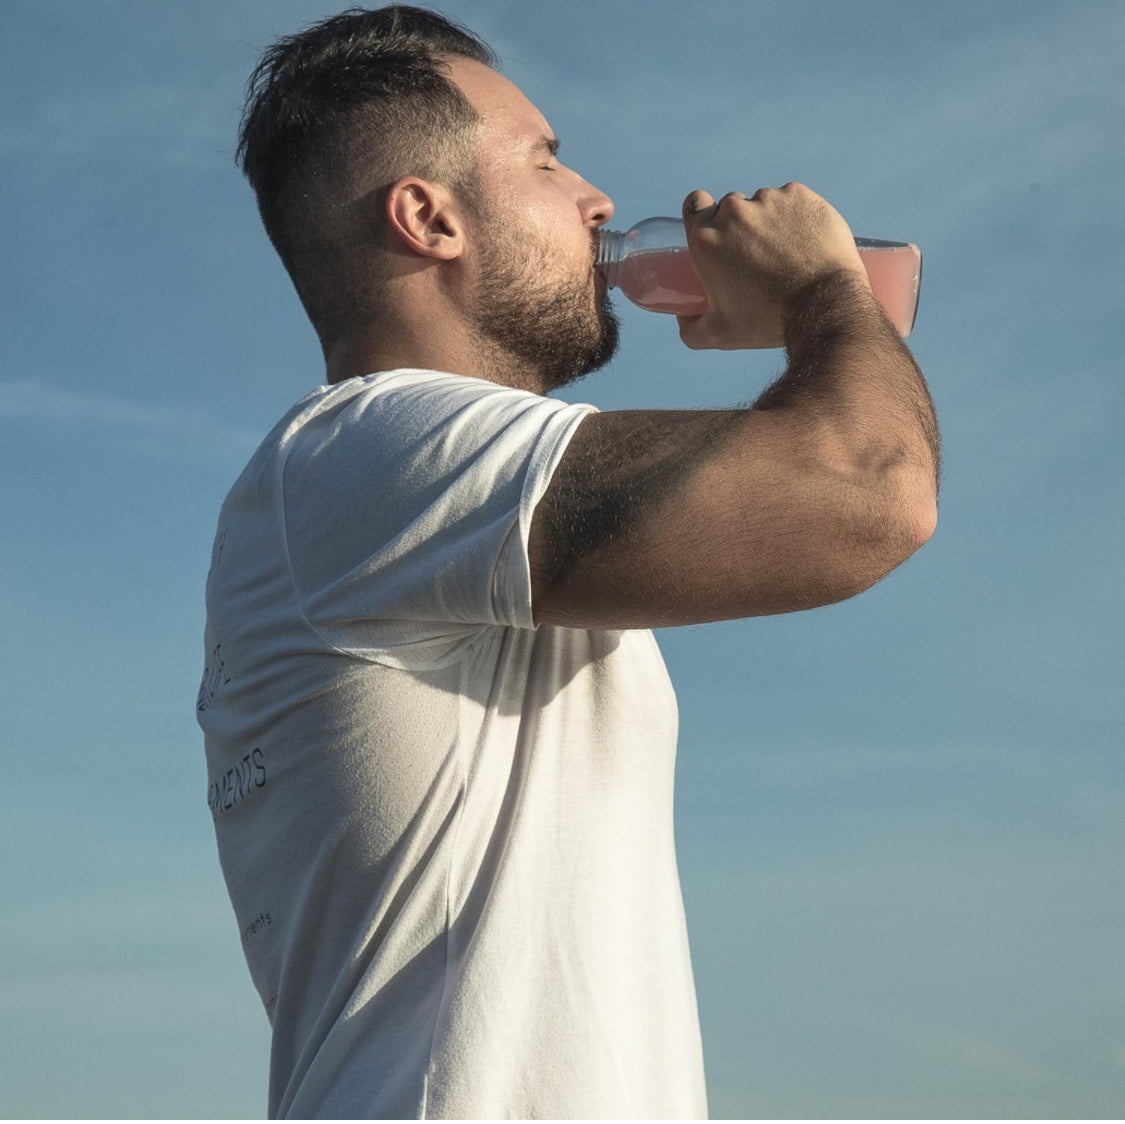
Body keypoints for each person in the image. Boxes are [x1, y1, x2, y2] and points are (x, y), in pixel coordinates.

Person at [197, 4, 940, 1119]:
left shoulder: (410, 502)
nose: (597, 198)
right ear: (428, 217)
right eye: (544, 159)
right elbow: (866, 488)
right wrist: (818, 290)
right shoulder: (366, 451)